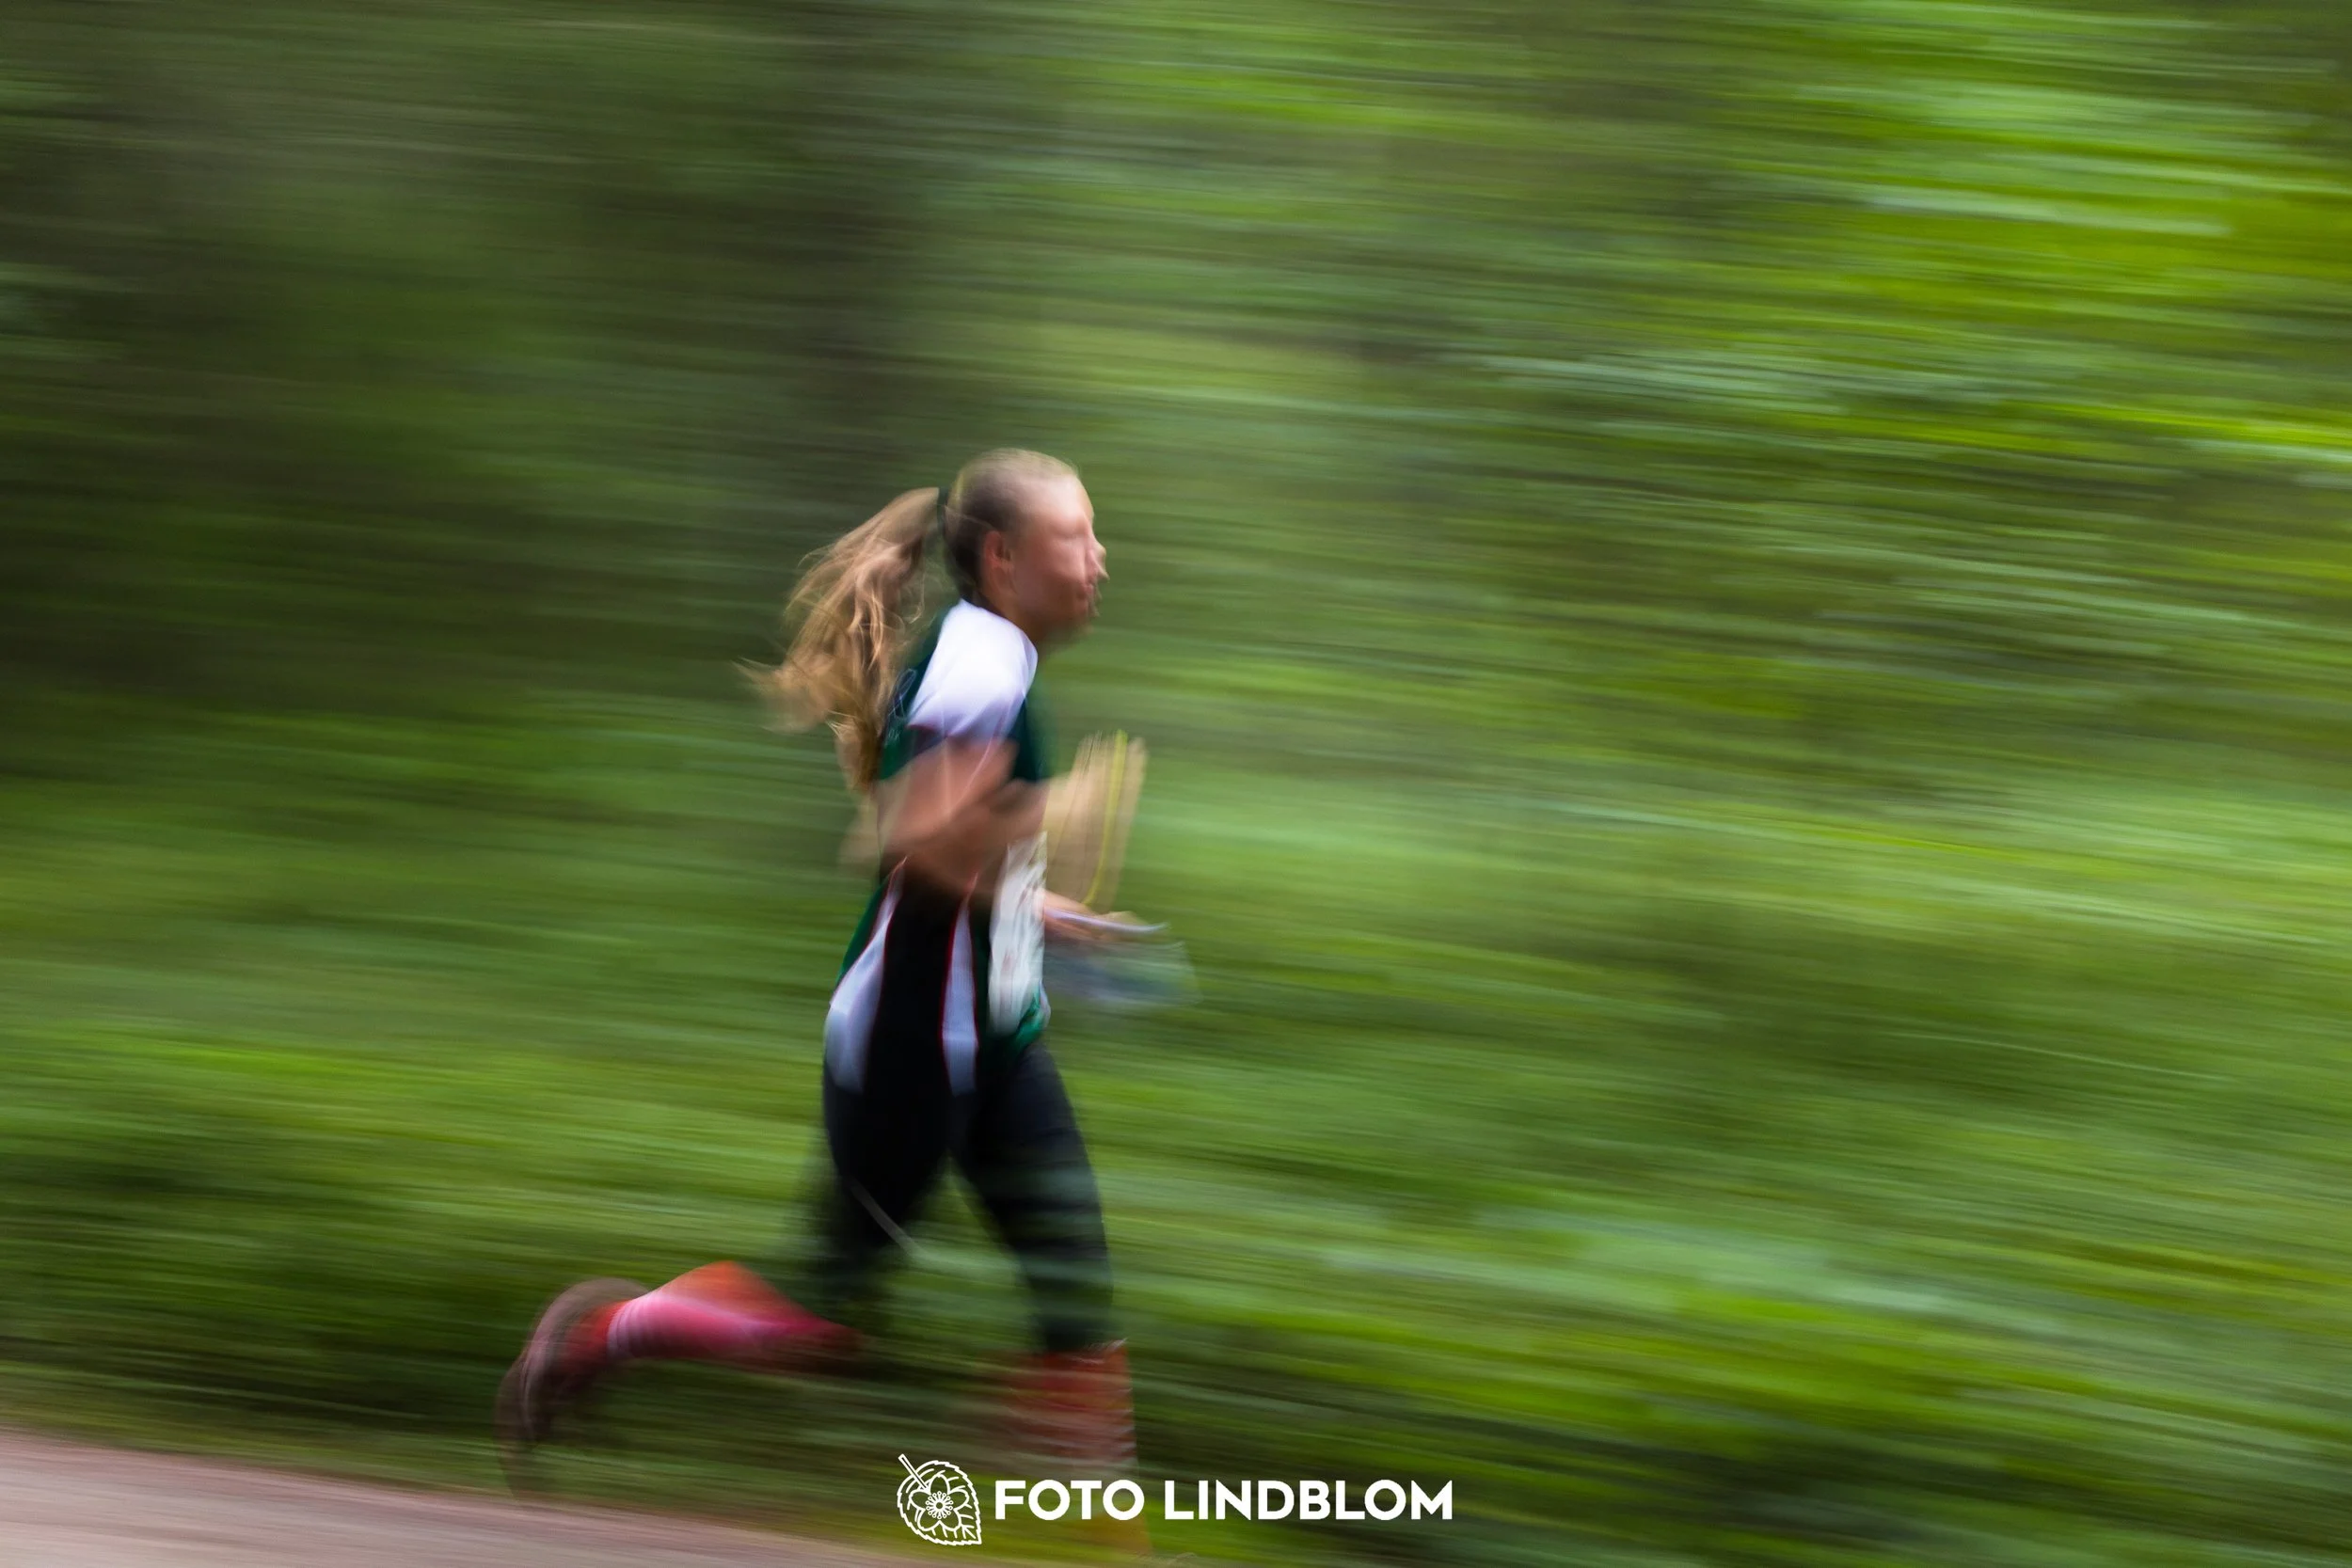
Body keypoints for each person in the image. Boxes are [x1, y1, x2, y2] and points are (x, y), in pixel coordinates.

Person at [497, 449, 1148, 1550]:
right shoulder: (983, 656)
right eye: (1074, 535)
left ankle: (1082, 1533)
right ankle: (602, 1330)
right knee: (819, 1321)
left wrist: (1045, 909)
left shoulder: (994, 657)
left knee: (1078, 1318)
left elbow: (954, 854)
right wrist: (1055, 803)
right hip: (912, 1047)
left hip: (995, 1039)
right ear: (1002, 556)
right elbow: (908, 836)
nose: (1099, 558)